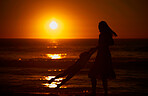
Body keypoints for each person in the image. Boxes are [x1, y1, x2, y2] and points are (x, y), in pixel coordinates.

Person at [88, 21, 117, 96]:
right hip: (102, 55)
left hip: (103, 55)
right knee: (101, 75)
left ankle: (97, 92)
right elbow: (101, 45)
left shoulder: (104, 34)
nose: (98, 28)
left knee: (97, 74)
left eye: (99, 26)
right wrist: (95, 48)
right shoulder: (103, 34)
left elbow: (111, 43)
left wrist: (103, 45)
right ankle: (101, 92)